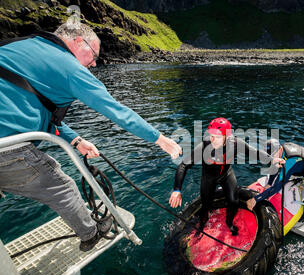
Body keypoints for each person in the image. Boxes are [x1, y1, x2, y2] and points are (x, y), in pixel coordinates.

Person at [0, 22, 182, 252]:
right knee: (59, 185)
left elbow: (38, 110)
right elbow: (115, 110)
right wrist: (159, 139)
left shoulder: (23, 46)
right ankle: (91, 233)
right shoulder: (68, 66)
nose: (95, 63)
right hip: (6, 148)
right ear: (78, 41)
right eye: (94, 55)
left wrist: (76, 141)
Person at [168, 118, 274, 236]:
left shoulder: (235, 144)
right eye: (211, 135)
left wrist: (273, 159)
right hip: (209, 178)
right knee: (206, 205)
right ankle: (202, 225)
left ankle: (229, 222)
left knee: (234, 201)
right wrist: (177, 190)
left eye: (217, 137)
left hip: (226, 175)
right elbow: (183, 165)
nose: (213, 139)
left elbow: (255, 152)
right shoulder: (205, 146)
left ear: (226, 136)